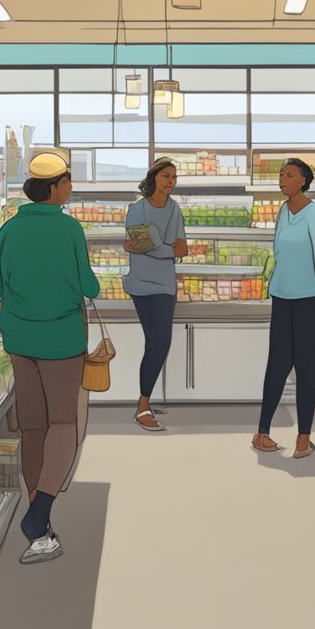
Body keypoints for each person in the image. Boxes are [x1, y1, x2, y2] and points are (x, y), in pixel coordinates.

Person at [0, 152, 100, 565]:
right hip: (60, 339)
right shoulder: (69, 229)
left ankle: (41, 530)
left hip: (19, 337)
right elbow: (88, 284)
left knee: (31, 428)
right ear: (53, 188)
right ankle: (38, 516)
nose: (70, 188)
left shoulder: (11, 228)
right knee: (63, 424)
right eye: (68, 183)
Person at [252, 159, 315, 459]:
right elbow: (279, 251)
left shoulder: (313, 214)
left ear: (303, 181)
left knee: (304, 368)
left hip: (308, 298)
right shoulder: (283, 211)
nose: (282, 180)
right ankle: (262, 432)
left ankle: (303, 437)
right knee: (277, 365)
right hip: (282, 297)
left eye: (289, 175)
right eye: (280, 175)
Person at [123, 158, 188, 432]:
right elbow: (134, 245)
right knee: (154, 344)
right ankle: (144, 405)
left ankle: (143, 401)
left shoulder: (174, 209)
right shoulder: (137, 209)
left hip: (164, 286)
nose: (170, 182)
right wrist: (163, 247)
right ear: (154, 178)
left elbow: (182, 249)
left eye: (174, 177)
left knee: (160, 343)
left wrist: (154, 243)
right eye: (166, 176)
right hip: (139, 284)